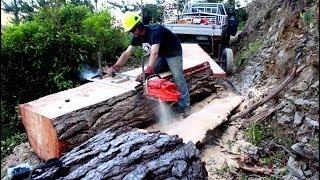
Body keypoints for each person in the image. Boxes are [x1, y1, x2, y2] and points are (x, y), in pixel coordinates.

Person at [104, 11, 191, 117]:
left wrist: (148, 70)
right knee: (153, 74)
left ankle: (185, 106)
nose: (132, 33)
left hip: (173, 53)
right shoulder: (136, 36)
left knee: (177, 76)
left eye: (132, 30)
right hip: (162, 55)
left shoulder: (155, 30)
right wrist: (115, 67)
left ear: (139, 26)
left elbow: (154, 53)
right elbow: (127, 53)